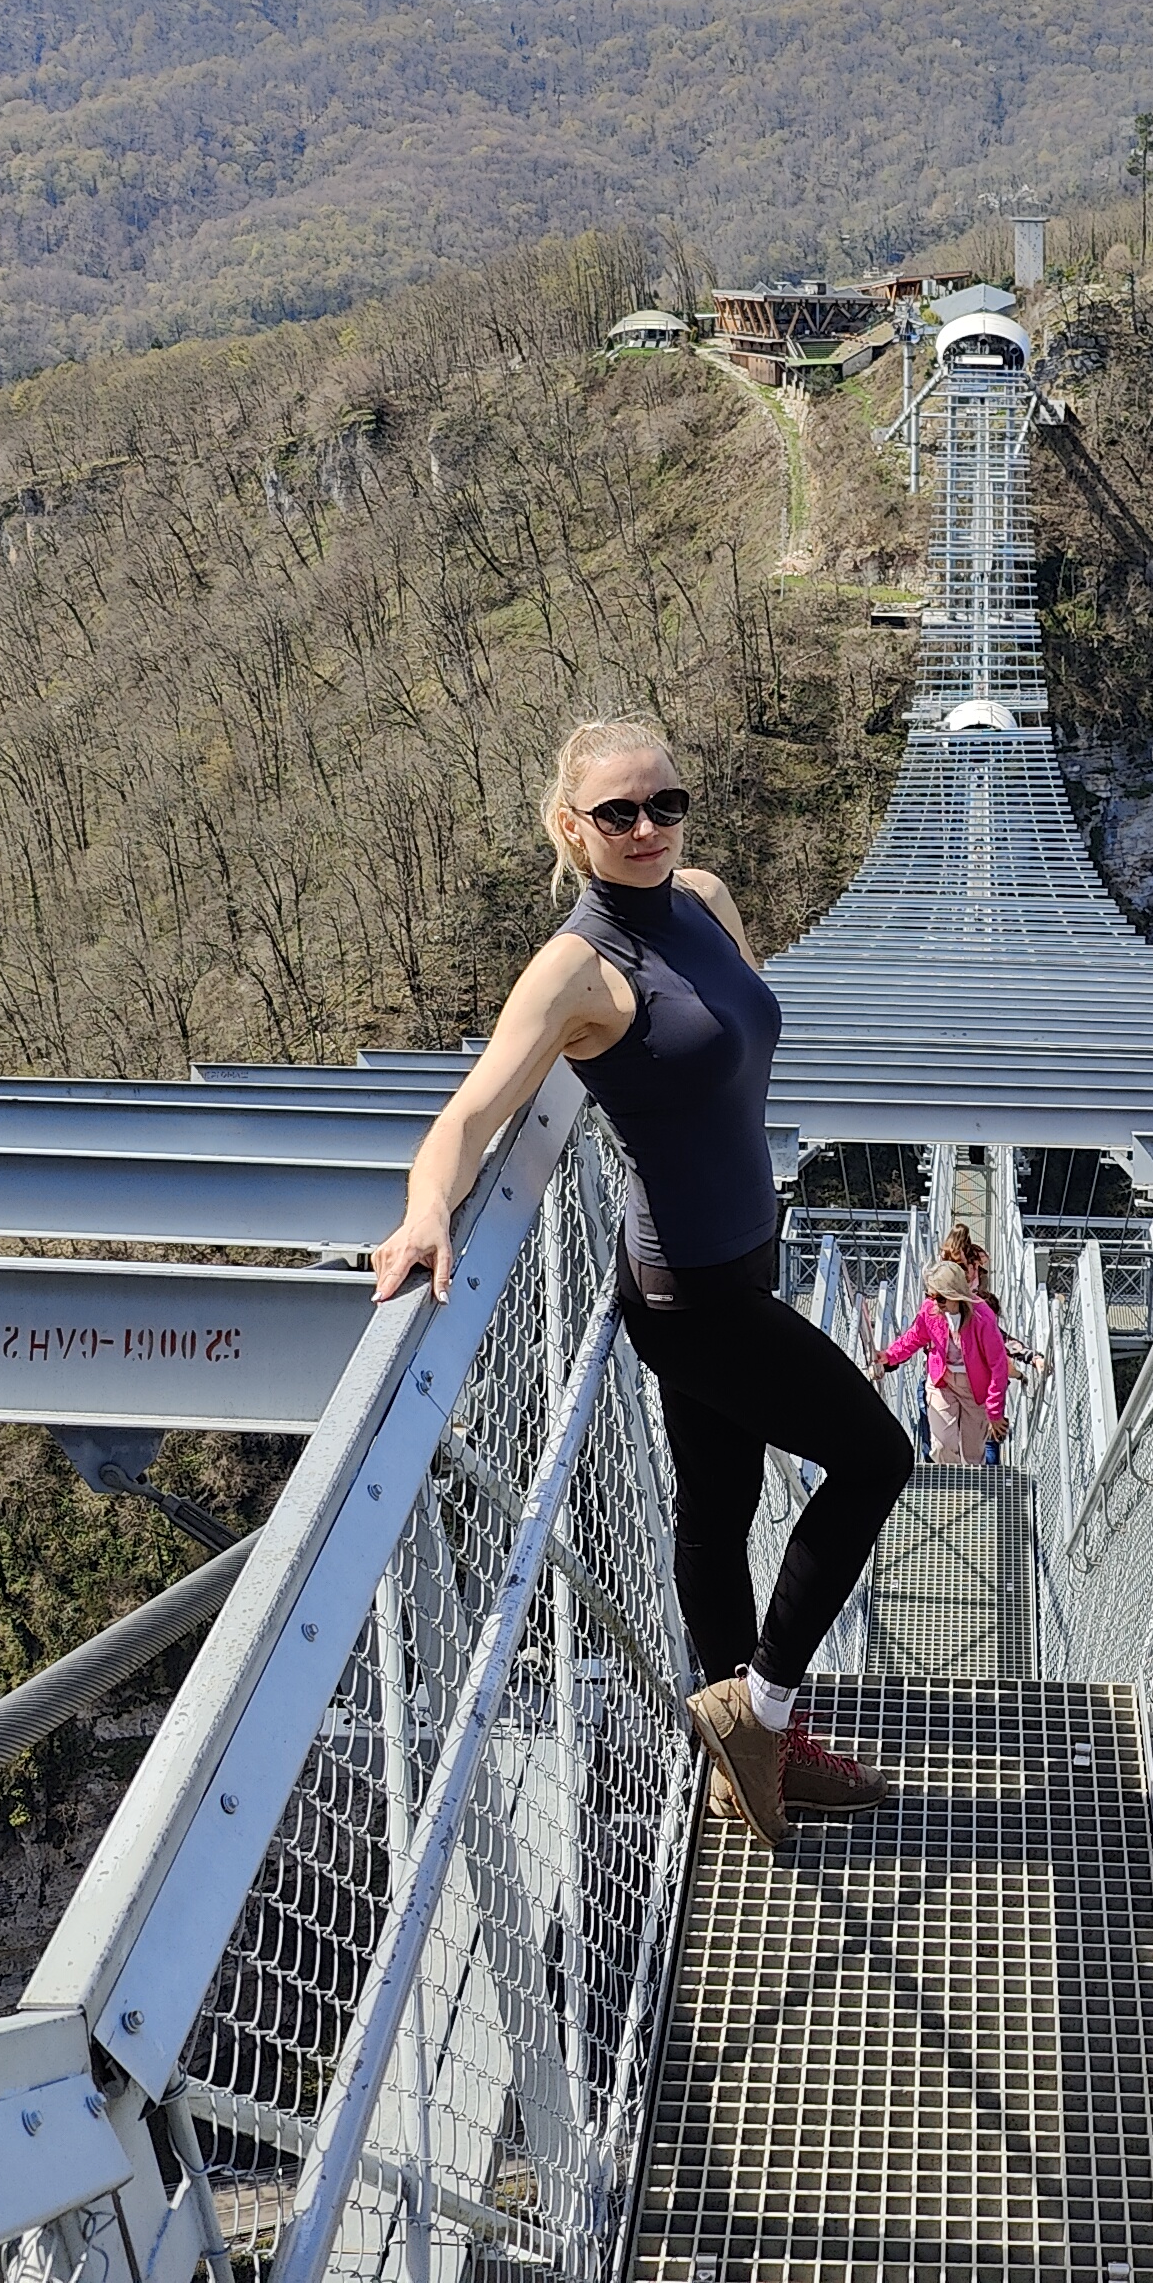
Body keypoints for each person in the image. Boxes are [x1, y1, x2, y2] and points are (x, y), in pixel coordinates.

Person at [372, 717, 911, 1848]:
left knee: (716, 1512)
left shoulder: (706, 896)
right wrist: (427, 1210)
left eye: (666, 802)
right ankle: (761, 1706)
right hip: (688, 1293)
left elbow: (733, 1042)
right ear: (571, 827)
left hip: (745, 1246)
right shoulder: (575, 966)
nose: (648, 828)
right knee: (875, 1455)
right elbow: (472, 1112)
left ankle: (744, 1766)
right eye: (617, 812)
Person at [872, 1226, 1011, 1468]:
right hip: (943, 1381)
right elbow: (914, 1337)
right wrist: (889, 1357)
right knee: (942, 1444)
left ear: (956, 1295)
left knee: (973, 1452)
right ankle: (951, 1487)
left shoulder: (983, 1318)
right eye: (931, 1296)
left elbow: (998, 1366)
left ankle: (970, 1490)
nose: (934, 1303)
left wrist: (994, 1411)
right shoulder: (931, 1310)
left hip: (974, 1387)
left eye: (940, 1298)